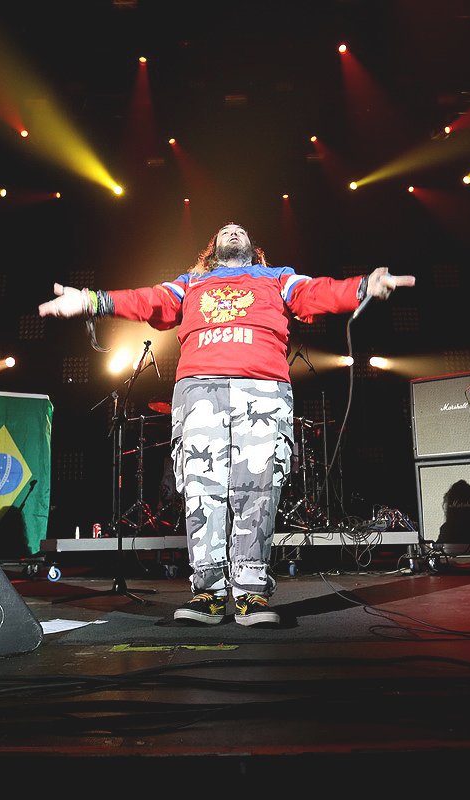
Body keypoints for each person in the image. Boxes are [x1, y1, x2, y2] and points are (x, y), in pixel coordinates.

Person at [39, 223, 415, 625]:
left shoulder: (276, 277)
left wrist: (362, 286)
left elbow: (315, 292)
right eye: (225, 230)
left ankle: (251, 592)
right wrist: (93, 300)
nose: (233, 230)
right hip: (200, 390)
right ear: (211, 248)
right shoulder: (192, 282)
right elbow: (149, 300)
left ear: (254, 248)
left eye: (240, 230)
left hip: (263, 389)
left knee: (258, 490)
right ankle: (209, 593)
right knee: (202, 489)